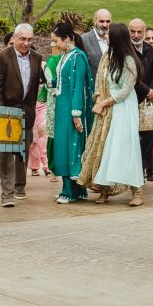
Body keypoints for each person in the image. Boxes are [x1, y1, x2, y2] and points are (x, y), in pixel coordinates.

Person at [77, 23, 145, 206]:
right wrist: (98, 98)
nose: (105, 36)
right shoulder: (107, 56)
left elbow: (125, 90)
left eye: (109, 35)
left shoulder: (130, 60)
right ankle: (104, 189)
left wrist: (105, 103)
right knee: (104, 148)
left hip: (123, 107)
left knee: (125, 148)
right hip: (105, 107)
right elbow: (99, 79)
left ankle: (137, 192)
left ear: (116, 38)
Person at [0, 23, 45, 208]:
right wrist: (0, 113)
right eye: (23, 39)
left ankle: (20, 186)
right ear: (14, 38)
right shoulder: (1, 57)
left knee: (23, 151)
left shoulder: (37, 58)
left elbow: (36, 85)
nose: (26, 43)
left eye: (30, 40)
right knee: (6, 154)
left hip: (27, 113)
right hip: (7, 111)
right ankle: (7, 193)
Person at [47, 22, 94, 203]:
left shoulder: (78, 57)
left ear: (67, 39)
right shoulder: (66, 55)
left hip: (70, 111)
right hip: (61, 109)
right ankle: (73, 190)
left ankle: (71, 191)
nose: (54, 45)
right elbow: (63, 82)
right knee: (62, 147)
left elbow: (78, 87)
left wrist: (76, 113)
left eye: (56, 41)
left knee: (70, 148)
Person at [129, 18, 153, 183]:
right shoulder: (126, 50)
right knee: (132, 137)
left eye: (139, 32)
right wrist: (146, 89)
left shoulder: (151, 49)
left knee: (150, 135)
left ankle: (143, 167)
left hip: (148, 101)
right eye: (133, 32)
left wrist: (152, 89)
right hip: (130, 98)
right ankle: (134, 170)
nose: (136, 35)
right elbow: (130, 76)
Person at [31, 38, 60, 178]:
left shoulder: (44, 65)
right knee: (31, 140)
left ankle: (48, 164)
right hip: (24, 105)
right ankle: (34, 166)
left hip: (42, 104)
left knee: (44, 131)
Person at [79, 8, 112, 79]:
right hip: (94, 87)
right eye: (101, 21)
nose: (105, 25)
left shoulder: (116, 39)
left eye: (108, 21)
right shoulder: (84, 39)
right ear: (94, 21)